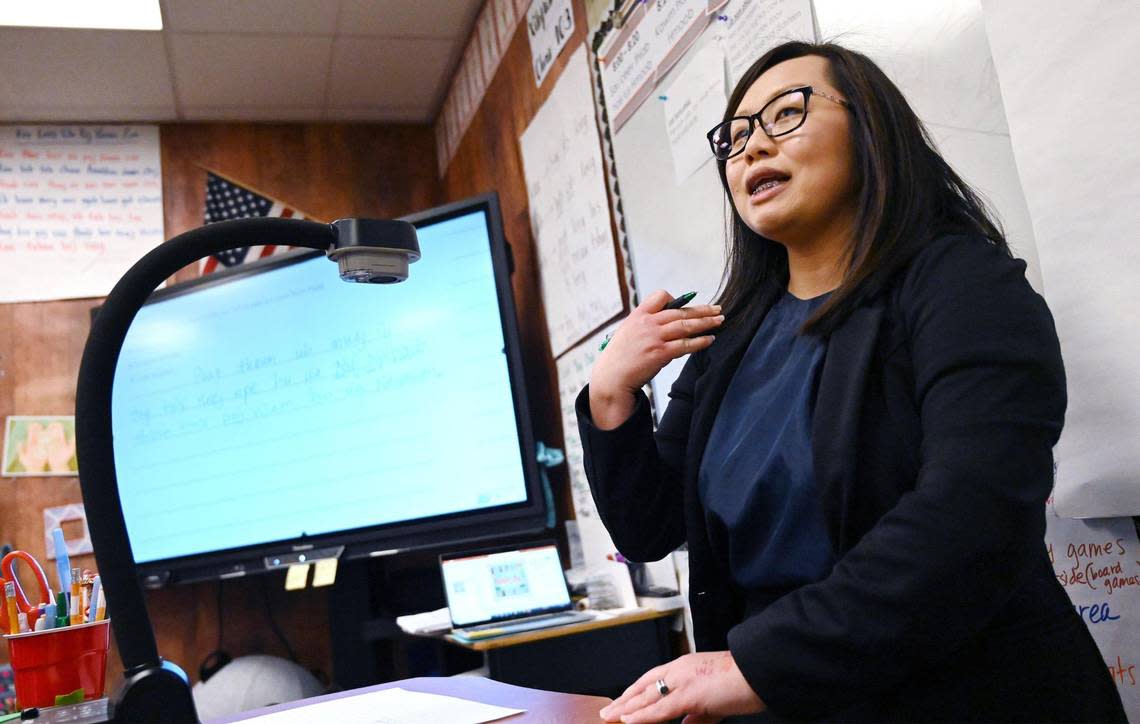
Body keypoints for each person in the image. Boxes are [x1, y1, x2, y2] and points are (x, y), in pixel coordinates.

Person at [576, 40, 1127, 723]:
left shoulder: (962, 285)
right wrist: (610, 394)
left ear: (869, 129)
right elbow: (650, 525)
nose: (750, 148)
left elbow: (971, 515)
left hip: (957, 695)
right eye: (736, 136)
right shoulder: (732, 337)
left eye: (785, 114)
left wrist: (757, 663)